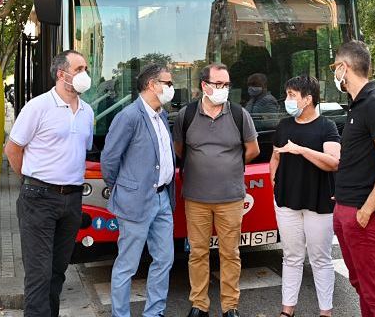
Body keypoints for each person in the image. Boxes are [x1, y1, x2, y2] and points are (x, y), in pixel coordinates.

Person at [4, 50, 94, 317]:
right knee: (39, 274)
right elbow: (13, 149)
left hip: (72, 200)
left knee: (57, 271)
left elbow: (81, 150)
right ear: (61, 74)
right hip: (39, 198)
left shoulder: (87, 112)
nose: (84, 74)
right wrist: (31, 182)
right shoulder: (38, 106)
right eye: (78, 69)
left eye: (85, 68)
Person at [173, 63, 260, 317]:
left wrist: (229, 164)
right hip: (196, 199)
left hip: (230, 199)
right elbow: (180, 149)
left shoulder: (239, 114)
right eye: (218, 84)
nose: (223, 89)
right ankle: (199, 304)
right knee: (197, 253)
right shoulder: (186, 115)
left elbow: (252, 149)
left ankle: (230, 306)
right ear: (204, 86)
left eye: (226, 85)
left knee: (230, 254)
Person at [331, 41, 375, 317]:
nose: (334, 74)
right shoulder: (357, 104)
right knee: (362, 284)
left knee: (374, 287)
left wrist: (366, 210)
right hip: (348, 208)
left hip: (365, 215)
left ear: (343, 67)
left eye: (334, 67)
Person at [101, 64, 176, 317]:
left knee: (164, 259)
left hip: (163, 199)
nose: (171, 87)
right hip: (135, 202)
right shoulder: (129, 116)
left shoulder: (162, 114)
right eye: (167, 82)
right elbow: (109, 160)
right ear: (152, 85)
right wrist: (124, 189)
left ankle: (154, 313)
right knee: (127, 265)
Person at [270, 75, 341, 317]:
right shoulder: (284, 126)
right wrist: (273, 182)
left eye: (292, 95)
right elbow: (275, 157)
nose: (287, 100)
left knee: (320, 258)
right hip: (287, 201)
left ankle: (325, 312)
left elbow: (333, 163)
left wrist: (300, 150)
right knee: (291, 256)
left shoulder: (327, 127)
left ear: (308, 99)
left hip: (318, 201)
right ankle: (287, 310)